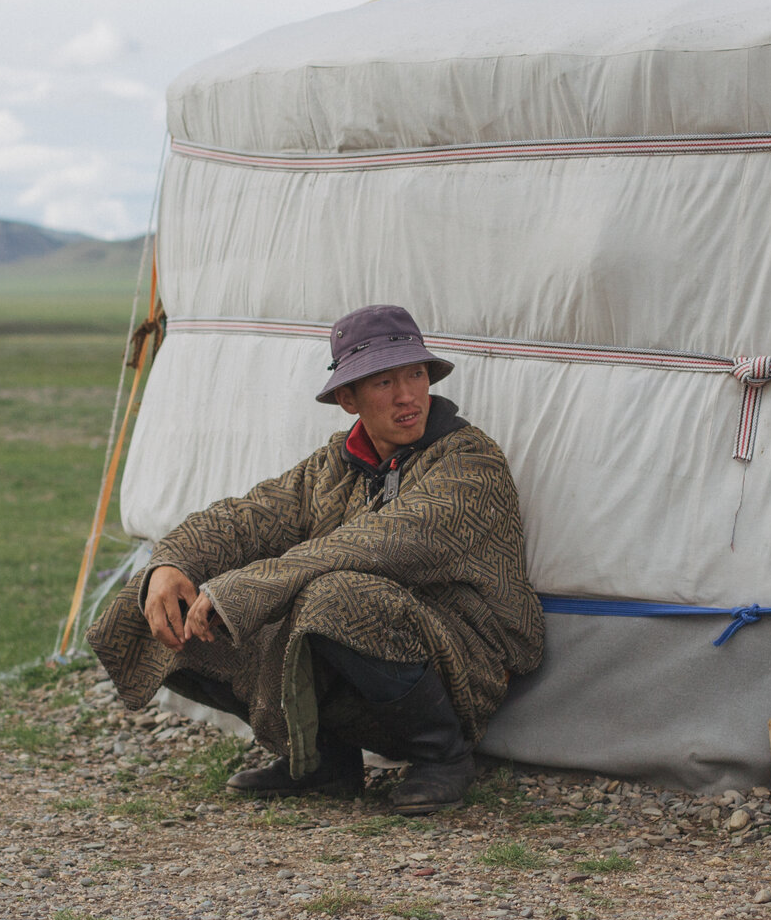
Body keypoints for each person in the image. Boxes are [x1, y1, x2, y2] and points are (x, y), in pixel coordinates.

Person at [90, 304, 544, 814]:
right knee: (148, 602)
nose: (407, 396)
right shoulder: (336, 463)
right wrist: (171, 564)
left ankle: (441, 757)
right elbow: (248, 517)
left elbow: (378, 542)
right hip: (352, 652)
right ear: (348, 399)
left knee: (336, 595)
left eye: (416, 375)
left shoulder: (469, 462)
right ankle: (322, 758)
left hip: (464, 661)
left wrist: (244, 589)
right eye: (383, 383)